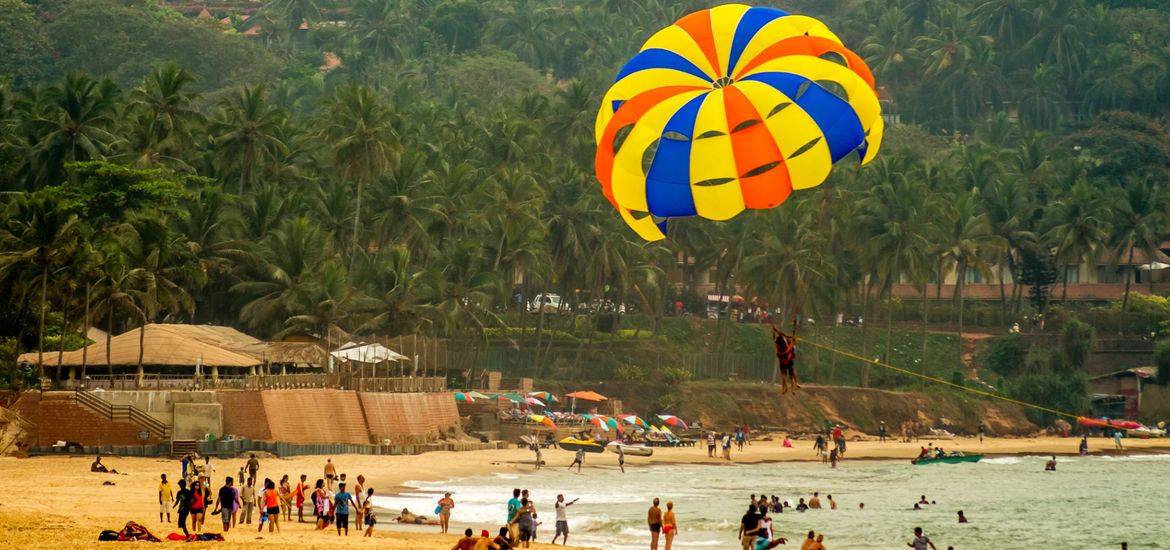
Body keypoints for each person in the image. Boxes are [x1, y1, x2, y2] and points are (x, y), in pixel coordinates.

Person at [772, 324, 799, 393]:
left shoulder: (788, 343)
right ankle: (790, 387)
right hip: (785, 358)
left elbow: (777, 336)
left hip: (785, 358)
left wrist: (774, 330)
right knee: (789, 374)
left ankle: (788, 387)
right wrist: (775, 330)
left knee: (785, 374)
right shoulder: (787, 342)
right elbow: (781, 335)